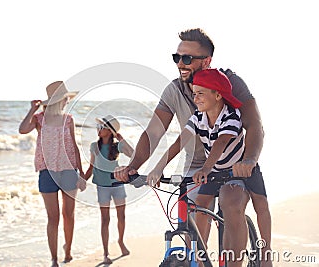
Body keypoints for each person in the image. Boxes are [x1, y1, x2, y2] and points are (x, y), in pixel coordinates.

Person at [114, 28, 271, 267]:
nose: (180, 63)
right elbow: (154, 132)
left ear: (206, 61)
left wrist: (248, 161)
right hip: (195, 168)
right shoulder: (174, 90)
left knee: (232, 203)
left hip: (233, 164)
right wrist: (133, 167)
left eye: (187, 58)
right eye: (177, 57)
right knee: (192, 223)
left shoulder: (230, 83)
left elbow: (254, 126)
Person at [147, 69, 270, 266]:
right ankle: (199, 258)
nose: (195, 98)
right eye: (194, 93)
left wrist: (204, 169)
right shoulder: (198, 116)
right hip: (214, 171)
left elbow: (220, 144)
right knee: (199, 207)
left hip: (238, 169)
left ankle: (266, 253)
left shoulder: (231, 116)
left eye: (201, 93)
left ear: (218, 95)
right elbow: (180, 141)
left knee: (261, 206)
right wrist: (158, 168)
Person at [19, 81, 84, 267]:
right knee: (53, 217)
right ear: (59, 101)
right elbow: (22, 129)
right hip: (47, 172)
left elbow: (74, 146)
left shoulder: (69, 119)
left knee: (69, 215)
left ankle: (68, 251)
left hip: (69, 171)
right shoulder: (39, 119)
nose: (66, 103)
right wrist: (32, 109)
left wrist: (81, 173)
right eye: (64, 100)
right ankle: (54, 259)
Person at [84, 115, 133, 264]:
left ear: (110, 131)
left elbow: (133, 154)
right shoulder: (94, 146)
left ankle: (121, 241)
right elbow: (91, 167)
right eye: (98, 126)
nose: (98, 129)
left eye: (102, 127)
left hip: (117, 184)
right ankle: (106, 253)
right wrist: (81, 181)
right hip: (102, 187)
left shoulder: (117, 146)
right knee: (105, 219)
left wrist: (122, 139)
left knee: (121, 216)